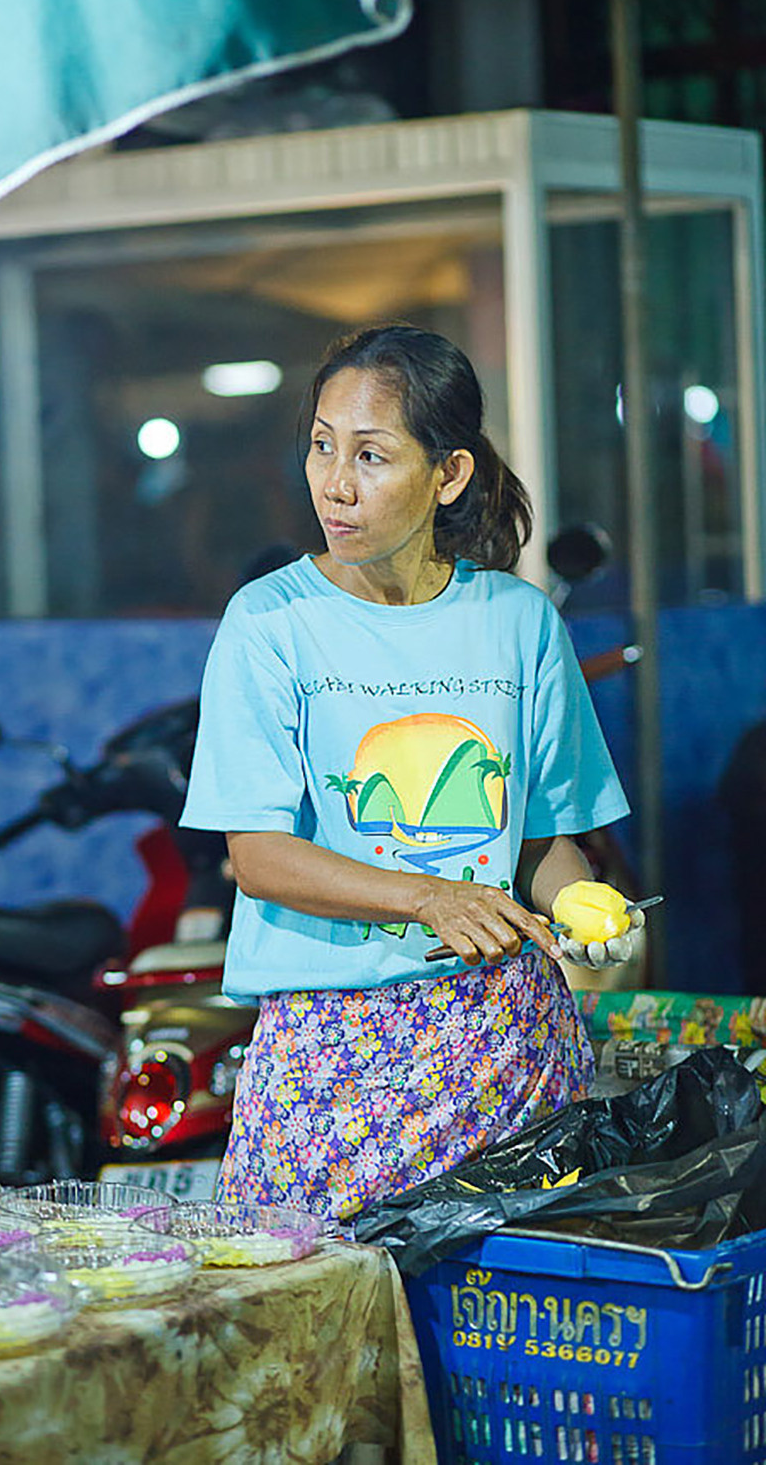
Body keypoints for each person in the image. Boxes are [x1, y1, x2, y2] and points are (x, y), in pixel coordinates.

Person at [180, 322, 643, 1222]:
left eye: (371, 454)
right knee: (314, 1333)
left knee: (503, 1337)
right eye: (321, 446)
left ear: (450, 473)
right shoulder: (269, 623)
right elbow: (262, 856)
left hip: (507, 1049)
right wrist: (431, 897)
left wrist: (590, 910)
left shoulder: (519, 623)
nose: (335, 483)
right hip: (330, 1062)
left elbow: (541, 840)